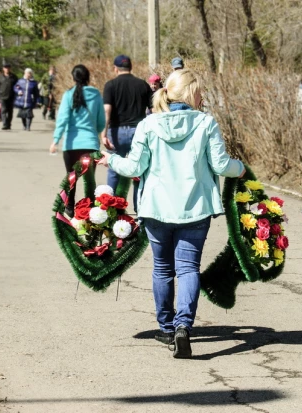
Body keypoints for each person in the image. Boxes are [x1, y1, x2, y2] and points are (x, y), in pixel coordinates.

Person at [98, 69, 245, 359]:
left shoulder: (149, 124)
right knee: (188, 268)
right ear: (190, 93)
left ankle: (166, 327)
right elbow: (220, 165)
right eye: (200, 91)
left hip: (156, 209)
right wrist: (240, 169)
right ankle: (183, 328)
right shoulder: (205, 123)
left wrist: (111, 159)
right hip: (195, 209)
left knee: (162, 269)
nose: (203, 96)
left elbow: (134, 168)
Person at [50, 65, 105, 218]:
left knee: (71, 177)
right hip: (90, 144)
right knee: (89, 180)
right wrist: (96, 132)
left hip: (71, 145)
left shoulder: (68, 95)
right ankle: (91, 211)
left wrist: (55, 140)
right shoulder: (96, 95)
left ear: (73, 78)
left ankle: (69, 206)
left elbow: (62, 119)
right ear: (88, 77)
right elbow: (101, 121)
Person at [102, 54, 153, 212]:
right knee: (139, 169)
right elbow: (153, 109)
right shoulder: (143, 85)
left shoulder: (110, 85)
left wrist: (103, 134)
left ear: (115, 68)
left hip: (116, 132)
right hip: (138, 131)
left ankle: (110, 207)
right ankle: (140, 208)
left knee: (113, 167)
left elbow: (107, 111)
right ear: (131, 67)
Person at [0, 64, 18, 130]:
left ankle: (8, 124)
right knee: (3, 110)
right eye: (5, 68)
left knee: (10, 111)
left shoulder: (14, 77)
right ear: (3, 69)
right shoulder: (0, 77)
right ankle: (5, 124)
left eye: (8, 68)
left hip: (11, 96)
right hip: (2, 96)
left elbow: (17, 87)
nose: (7, 69)